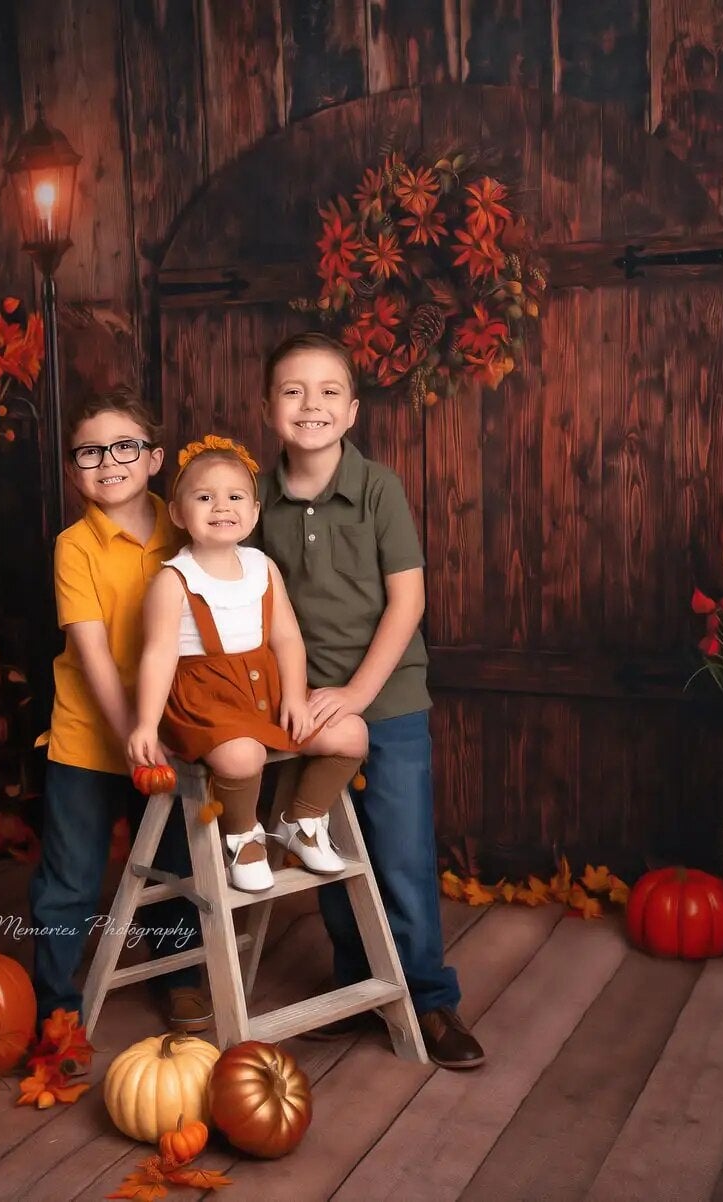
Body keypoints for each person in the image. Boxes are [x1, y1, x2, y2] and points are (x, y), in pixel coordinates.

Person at [255, 331, 486, 1070]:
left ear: (352, 411)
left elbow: (407, 602)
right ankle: (358, 982)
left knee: (400, 851)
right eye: (293, 391)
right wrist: (298, 696)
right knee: (323, 843)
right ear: (270, 408)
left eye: (328, 392)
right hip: (304, 706)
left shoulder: (379, 487)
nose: (311, 405)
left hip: (385, 701)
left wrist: (357, 692)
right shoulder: (253, 498)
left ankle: (428, 997)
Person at [26, 387, 211, 1036]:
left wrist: (170, 728)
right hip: (90, 736)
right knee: (71, 876)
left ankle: (181, 975)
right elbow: (94, 654)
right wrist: (133, 732)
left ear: (155, 458)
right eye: (91, 452)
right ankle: (54, 1001)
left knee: (175, 865)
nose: (109, 461)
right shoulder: (75, 546)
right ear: (76, 471)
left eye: (125, 446)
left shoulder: (188, 528)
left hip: (171, 731)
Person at [128, 436, 367, 893]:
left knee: (352, 733)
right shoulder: (173, 580)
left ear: (254, 512)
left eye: (235, 497)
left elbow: (288, 639)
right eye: (204, 497)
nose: (222, 507)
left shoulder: (262, 567)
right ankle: (242, 837)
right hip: (205, 700)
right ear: (179, 513)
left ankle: (305, 819)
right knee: (242, 755)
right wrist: (144, 723)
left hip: (268, 693)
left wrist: (295, 696)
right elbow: (158, 655)